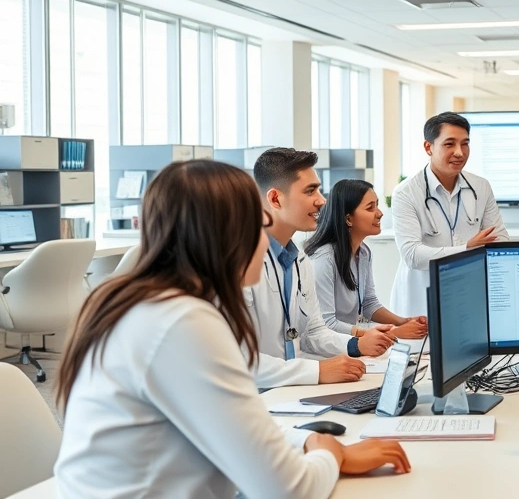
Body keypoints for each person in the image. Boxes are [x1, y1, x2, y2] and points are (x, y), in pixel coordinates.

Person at [54, 160, 410, 498]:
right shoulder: (181, 323)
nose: (266, 242)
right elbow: (289, 490)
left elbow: (230, 425)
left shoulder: (147, 304)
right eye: (259, 226)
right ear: (228, 234)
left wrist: (306, 442)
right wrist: (333, 454)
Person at [249, 148, 395, 389]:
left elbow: (314, 331)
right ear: (275, 199)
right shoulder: (240, 265)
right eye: (310, 191)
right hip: (255, 399)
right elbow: (239, 361)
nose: (322, 200)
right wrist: (317, 370)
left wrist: (356, 345)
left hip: (289, 392)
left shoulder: (299, 261)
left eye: (318, 188)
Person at [390, 112, 510, 318]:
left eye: (465, 144)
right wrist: (466, 249)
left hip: (468, 294)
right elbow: (412, 255)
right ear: (428, 147)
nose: (459, 152)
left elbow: (500, 240)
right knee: (422, 350)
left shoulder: (480, 187)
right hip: (420, 302)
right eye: (449, 144)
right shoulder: (406, 192)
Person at [306, 179, 428, 339]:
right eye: (370, 208)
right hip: (327, 349)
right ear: (348, 218)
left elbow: (369, 303)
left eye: (377, 205)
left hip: (350, 344)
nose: (380, 213)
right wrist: (391, 333)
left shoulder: (363, 253)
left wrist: (403, 322)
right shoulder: (324, 259)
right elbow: (327, 323)